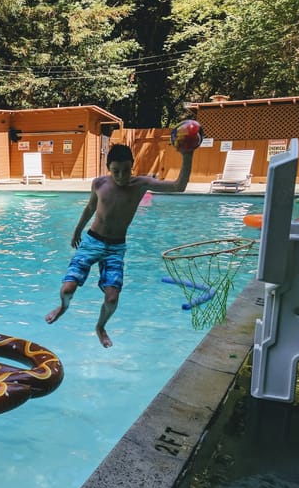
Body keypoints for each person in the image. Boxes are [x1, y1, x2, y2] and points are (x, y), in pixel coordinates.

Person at [45, 143, 194, 348]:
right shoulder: (99, 184)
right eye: (116, 171)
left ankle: (100, 327)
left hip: (115, 247)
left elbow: (179, 186)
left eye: (126, 170)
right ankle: (63, 307)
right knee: (67, 290)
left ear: (132, 166)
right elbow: (90, 208)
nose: (121, 176)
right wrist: (77, 231)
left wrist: (187, 155)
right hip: (92, 241)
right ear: (108, 168)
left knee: (112, 299)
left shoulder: (141, 184)